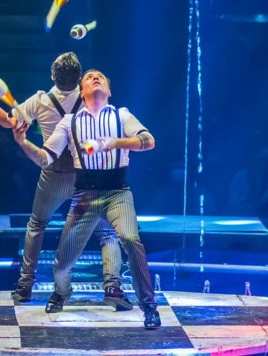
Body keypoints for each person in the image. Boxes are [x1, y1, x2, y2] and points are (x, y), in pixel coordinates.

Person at [0, 53, 126, 309]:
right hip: (90, 175)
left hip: (55, 174)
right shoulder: (91, 98)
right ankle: (113, 287)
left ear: (52, 76)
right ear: (80, 79)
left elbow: (8, 121)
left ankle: (25, 286)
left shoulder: (41, 101)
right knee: (106, 231)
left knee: (37, 225)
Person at [11, 69, 161, 330]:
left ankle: (148, 305)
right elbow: (45, 158)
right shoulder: (70, 122)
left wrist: (115, 143)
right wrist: (22, 141)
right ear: (81, 92)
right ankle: (61, 290)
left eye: (100, 76)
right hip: (85, 195)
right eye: (89, 76)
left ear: (109, 91)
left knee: (129, 237)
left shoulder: (120, 115)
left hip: (117, 191)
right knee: (62, 262)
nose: (95, 77)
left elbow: (148, 141)